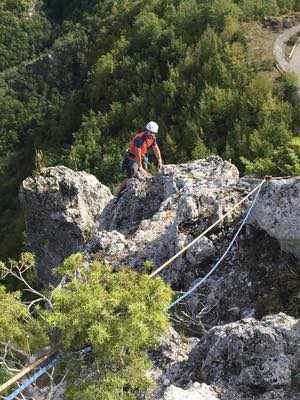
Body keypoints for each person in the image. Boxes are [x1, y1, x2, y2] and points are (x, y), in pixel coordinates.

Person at [118, 121, 163, 194]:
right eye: (150, 132)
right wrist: (140, 167)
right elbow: (137, 153)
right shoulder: (139, 138)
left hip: (142, 156)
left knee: (145, 174)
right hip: (133, 157)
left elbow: (156, 148)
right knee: (131, 174)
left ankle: (144, 189)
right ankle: (119, 191)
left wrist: (159, 160)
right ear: (147, 131)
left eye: (153, 133)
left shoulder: (152, 138)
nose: (152, 135)